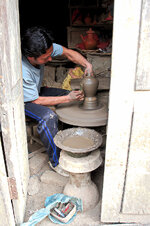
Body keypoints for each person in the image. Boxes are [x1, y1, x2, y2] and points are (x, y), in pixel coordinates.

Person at [21, 26, 93, 176]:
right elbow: (35, 101)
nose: (50, 59)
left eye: (50, 54)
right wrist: (67, 98)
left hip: (34, 91)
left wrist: (87, 64)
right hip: (22, 100)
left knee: (70, 95)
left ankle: (68, 139)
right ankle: (56, 161)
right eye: (45, 58)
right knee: (48, 117)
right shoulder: (23, 69)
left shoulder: (45, 49)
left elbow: (68, 53)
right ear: (31, 57)